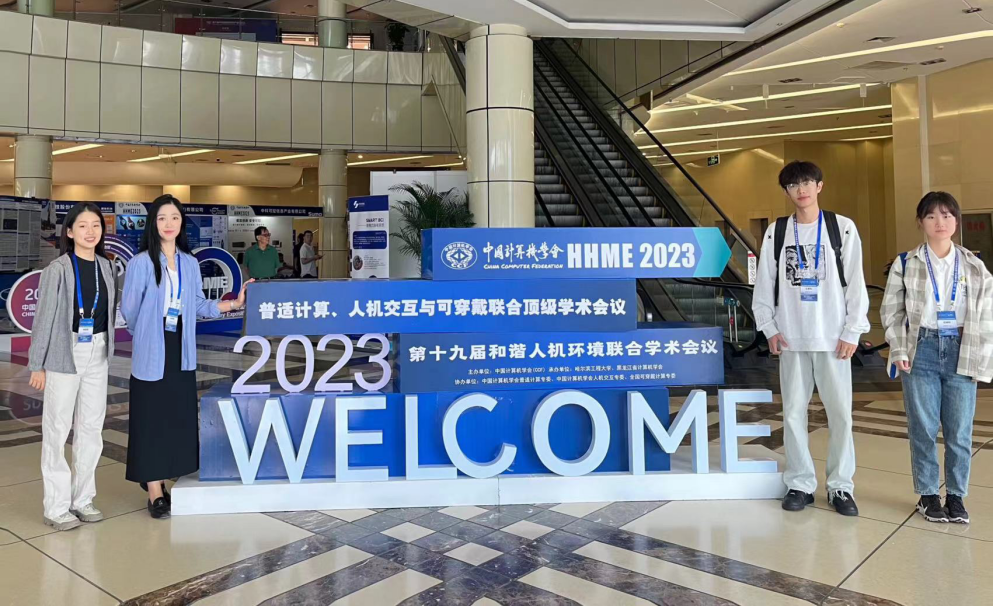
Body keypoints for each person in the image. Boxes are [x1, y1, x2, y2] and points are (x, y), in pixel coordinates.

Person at [121, 195, 251, 519]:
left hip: (181, 345)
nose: (169, 224)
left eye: (175, 218)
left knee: (175, 414)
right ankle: (154, 488)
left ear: (181, 223)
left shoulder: (190, 263)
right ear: (153, 223)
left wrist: (233, 304)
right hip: (152, 345)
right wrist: (146, 334)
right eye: (162, 218)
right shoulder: (141, 263)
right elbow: (130, 310)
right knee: (150, 416)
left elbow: (198, 304)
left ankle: (165, 471)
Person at [752, 160, 870, 516]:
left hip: (833, 339)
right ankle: (800, 483)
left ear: (820, 185)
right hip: (791, 338)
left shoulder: (841, 228)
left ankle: (840, 487)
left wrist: (852, 330)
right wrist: (770, 328)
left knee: (841, 415)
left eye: (806, 182)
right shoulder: (777, 232)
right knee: (792, 414)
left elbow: (856, 283)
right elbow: (764, 284)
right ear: (786, 191)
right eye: (793, 185)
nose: (800, 190)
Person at [881, 192, 992, 524]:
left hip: (961, 347)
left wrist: (981, 359)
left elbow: (986, 317)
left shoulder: (974, 266)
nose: (939, 222)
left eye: (946, 215)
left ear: (956, 221)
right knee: (924, 427)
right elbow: (892, 312)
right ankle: (928, 495)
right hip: (922, 348)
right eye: (931, 216)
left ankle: (956, 496)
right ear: (920, 222)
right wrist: (899, 349)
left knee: (959, 430)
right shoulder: (906, 263)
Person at [28, 203, 117, 531]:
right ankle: (56, 506)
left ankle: (83, 499)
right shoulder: (58, 269)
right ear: (69, 232)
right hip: (65, 352)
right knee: (57, 428)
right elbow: (44, 319)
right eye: (82, 226)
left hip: (98, 351)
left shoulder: (107, 267)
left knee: (91, 428)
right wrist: (37, 363)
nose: (90, 232)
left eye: (96, 225)